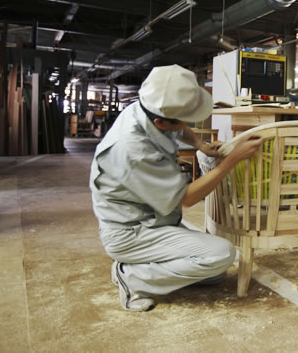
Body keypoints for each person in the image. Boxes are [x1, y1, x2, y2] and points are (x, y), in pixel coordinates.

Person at [89, 64, 262, 311]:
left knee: (214, 274)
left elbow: (179, 127)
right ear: (160, 122)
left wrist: (201, 145)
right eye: (182, 120)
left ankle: (139, 267)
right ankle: (131, 277)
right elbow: (188, 198)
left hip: (154, 219)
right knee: (221, 255)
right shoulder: (135, 149)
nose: (185, 124)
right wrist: (231, 161)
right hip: (132, 231)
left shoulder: (147, 108)